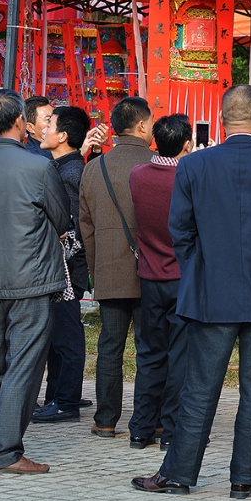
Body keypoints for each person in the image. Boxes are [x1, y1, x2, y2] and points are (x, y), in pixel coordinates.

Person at [132, 85, 251, 498]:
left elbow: (182, 231)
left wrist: (200, 272)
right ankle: (245, 479)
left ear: (222, 118)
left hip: (212, 292)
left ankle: (178, 474)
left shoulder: (194, 166)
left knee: (199, 387)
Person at [0, 89, 70, 474]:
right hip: (32, 278)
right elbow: (62, 218)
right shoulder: (37, 167)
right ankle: (6, 451)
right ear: (19, 123)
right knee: (23, 364)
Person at [80, 96, 154, 438]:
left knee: (110, 348)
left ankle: (106, 420)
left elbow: (86, 226)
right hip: (152, 270)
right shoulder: (159, 163)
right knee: (150, 348)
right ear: (141, 125)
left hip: (109, 269)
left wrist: (98, 269)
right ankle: (148, 419)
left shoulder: (94, 168)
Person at [127, 113, 192, 450]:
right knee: (179, 355)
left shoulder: (138, 176)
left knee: (150, 353)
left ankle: (140, 428)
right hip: (181, 277)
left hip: (149, 275)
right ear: (187, 144)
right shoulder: (188, 178)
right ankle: (171, 429)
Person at [32, 106, 93, 424]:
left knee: (67, 336)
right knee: (57, 335)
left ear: (63, 136)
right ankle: (55, 397)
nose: (44, 129)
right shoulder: (60, 168)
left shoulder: (70, 174)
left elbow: (72, 231)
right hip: (59, 267)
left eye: (50, 124)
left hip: (66, 269)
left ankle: (66, 400)